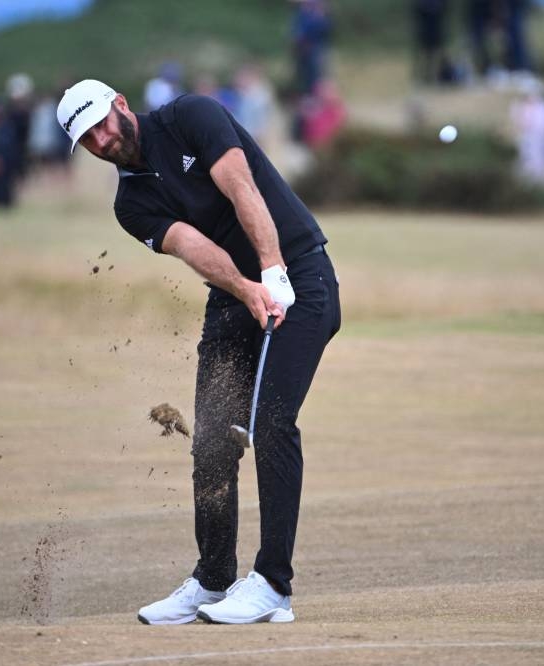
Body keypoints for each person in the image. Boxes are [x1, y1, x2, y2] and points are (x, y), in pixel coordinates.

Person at [56, 79, 340, 624]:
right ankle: (213, 581)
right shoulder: (130, 203)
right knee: (211, 440)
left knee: (273, 422)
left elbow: (242, 188)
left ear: (120, 104)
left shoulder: (192, 116)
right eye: (86, 139)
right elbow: (193, 247)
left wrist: (274, 272)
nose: (100, 140)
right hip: (234, 295)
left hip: (300, 270)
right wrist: (249, 289)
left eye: (101, 124)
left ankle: (273, 586)